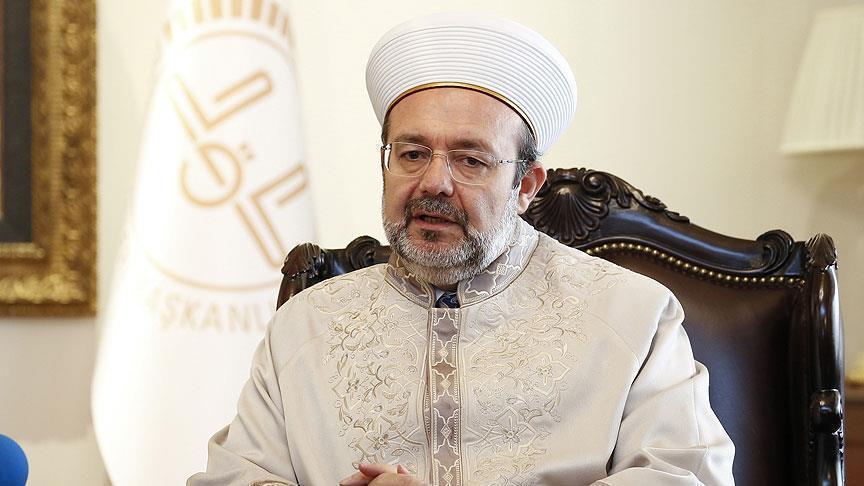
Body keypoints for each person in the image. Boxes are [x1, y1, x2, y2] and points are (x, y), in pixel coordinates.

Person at [188, 12, 735, 486]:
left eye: (471, 160)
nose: (434, 183)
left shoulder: (635, 317)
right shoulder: (303, 327)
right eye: (412, 153)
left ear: (525, 186)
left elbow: (686, 477)